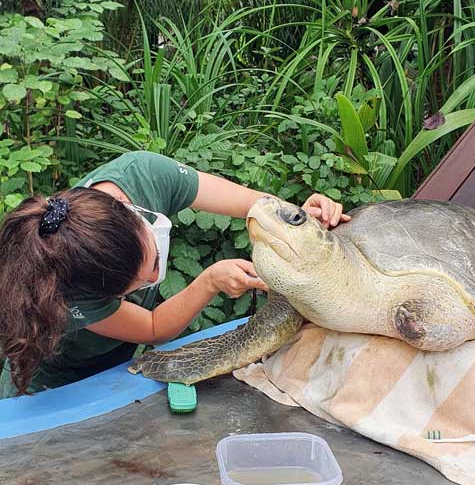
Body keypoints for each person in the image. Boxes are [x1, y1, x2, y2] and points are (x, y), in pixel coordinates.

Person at [0, 151, 350, 398]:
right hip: (49, 384)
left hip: (119, 366)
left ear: (133, 212)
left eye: (153, 258)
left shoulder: (145, 174)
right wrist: (210, 281)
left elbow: (256, 207)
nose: (156, 276)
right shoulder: (66, 286)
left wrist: (298, 217)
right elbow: (154, 328)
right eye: (139, 284)